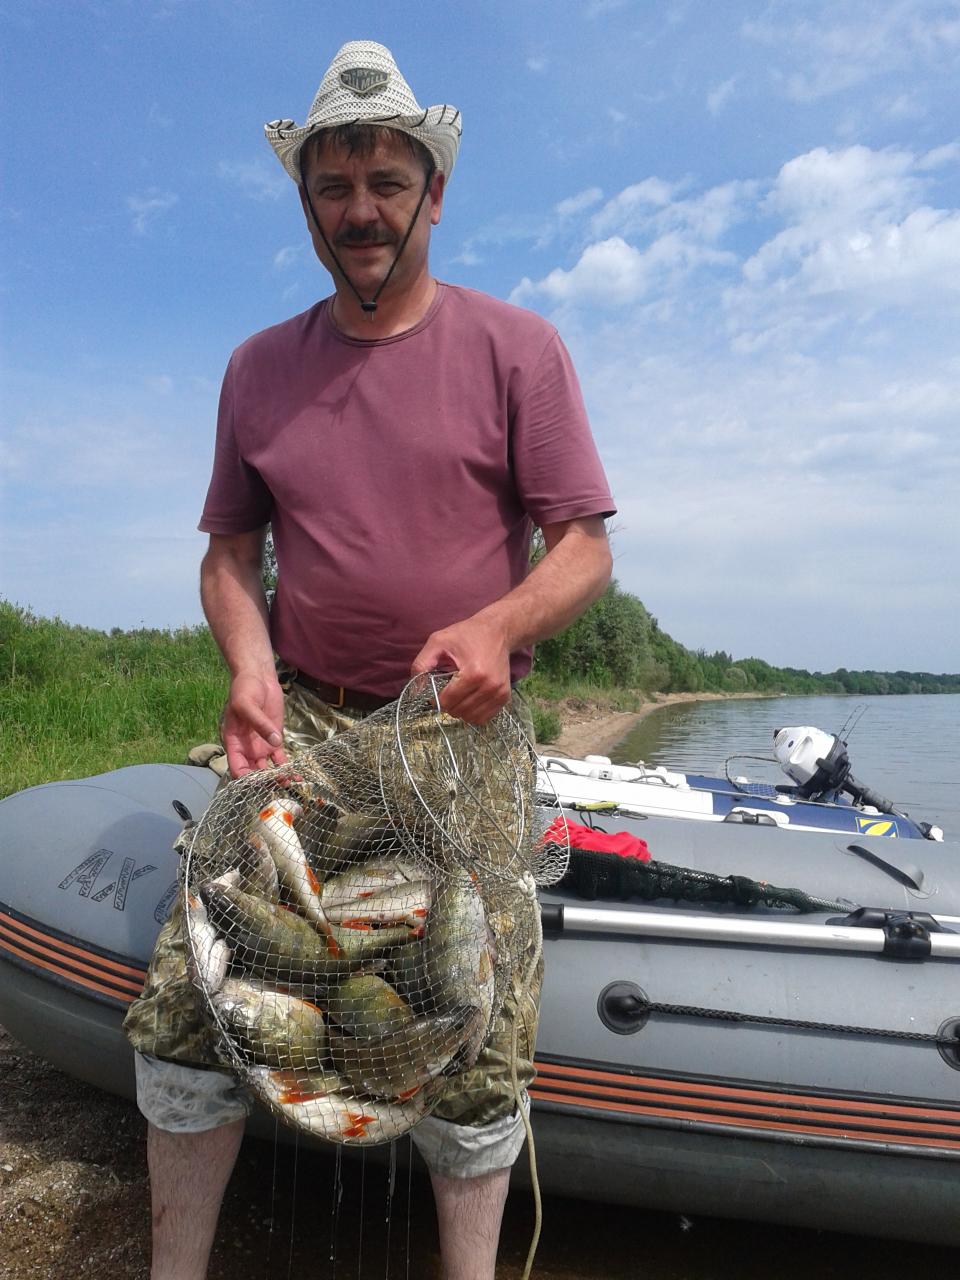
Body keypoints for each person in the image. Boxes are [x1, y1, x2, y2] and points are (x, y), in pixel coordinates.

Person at [123, 40, 615, 1280]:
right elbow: (229, 555)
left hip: (456, 731)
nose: (361, 211)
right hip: (303, 727)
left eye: (387, 183)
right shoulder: (258, 369)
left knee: (479, 1028)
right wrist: (248, 664)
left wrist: (499, 625)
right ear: (306, 206)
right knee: (187, 999)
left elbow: (584, 549)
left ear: (434, 194)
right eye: (334, 187)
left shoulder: (519, 347)